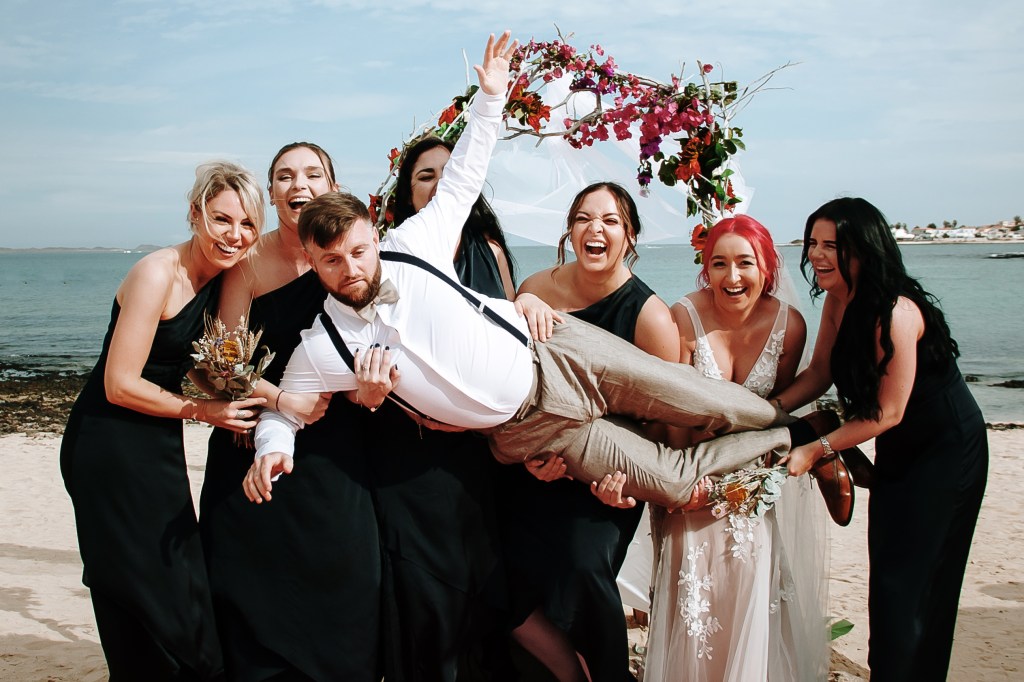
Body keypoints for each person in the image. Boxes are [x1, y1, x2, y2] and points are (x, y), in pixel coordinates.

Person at [245, 31, 821, 516]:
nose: (350, 268)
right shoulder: (324, 344)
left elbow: (464, 173)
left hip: (557, 354)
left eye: (358, 251)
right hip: (528, 430)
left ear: (375, 237)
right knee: (670, 481)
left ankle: (798, 426)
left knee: (705, 400)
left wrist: (491, 97)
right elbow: (285, 407)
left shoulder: (414, 241)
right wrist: (272, 448)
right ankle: (798, 437)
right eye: (332, 261)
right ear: (313, 262)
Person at [60, 161, 266, 680]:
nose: (235, 235)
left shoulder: (217, 277)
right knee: (139, 581)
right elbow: (119, 383)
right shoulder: (157, 273)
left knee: (177, 576)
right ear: (195, 214)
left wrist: (252, 400)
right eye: (222, 219)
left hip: (157, 443)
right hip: (107, 444)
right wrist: (205, 411)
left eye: (247, 224)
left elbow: (188, 360)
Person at [773, 197, 988, 681]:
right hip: (896, 446)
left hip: (945, 450)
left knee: (916, 585)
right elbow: (820, 373)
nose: (818, 254)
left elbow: (889, 412)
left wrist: (815, 450)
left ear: (865, 249)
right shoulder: (838, 299)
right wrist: (768, 409)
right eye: (813, 243)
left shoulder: (895, 312)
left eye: (833, 245)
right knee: (889, 581)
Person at [198, 142, 383, 680]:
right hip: (255, 436)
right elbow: (221, 361)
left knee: (347, 575)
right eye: (284, 176)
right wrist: (277, 400)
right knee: (252, 586)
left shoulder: (356, 254)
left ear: (332, 186)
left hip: (339, 441)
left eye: (312, 174)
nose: (299, 184)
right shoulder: (248, 262)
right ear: (271, 193)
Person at [635, 215, 829, 680]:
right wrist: (682, 489)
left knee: (751, 596)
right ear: (706, 269)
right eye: (718, 264)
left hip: (751, 489)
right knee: (695, 610)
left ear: (767, 268)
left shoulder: (789, 325)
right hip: (691, 484)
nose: (732, 276)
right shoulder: (683, 317)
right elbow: (670, 413)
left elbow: (772, 411)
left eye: (745, 262)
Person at [501, 181, 679, 680]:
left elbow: (666, 421)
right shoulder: (536, 288)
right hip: (535, 467)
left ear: (630, 236)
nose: (594, 229)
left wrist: (623, 484)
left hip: (607, 484)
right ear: (569, 230)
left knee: (581, 565)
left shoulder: (650, 316)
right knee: (498, 571)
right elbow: (514, 384)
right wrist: (528, 459)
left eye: (610, 220)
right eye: (583, 218)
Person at [367, 133, 515, 680]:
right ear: (407, 192)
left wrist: (530, 302)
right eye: (425, 175)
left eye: (449, 172)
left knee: (478, 582)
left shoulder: (488, 251)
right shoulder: (390, 256)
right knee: (421, 586)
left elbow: (509, 339)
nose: (438, 183)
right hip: (407, 445)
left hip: (477, 451)